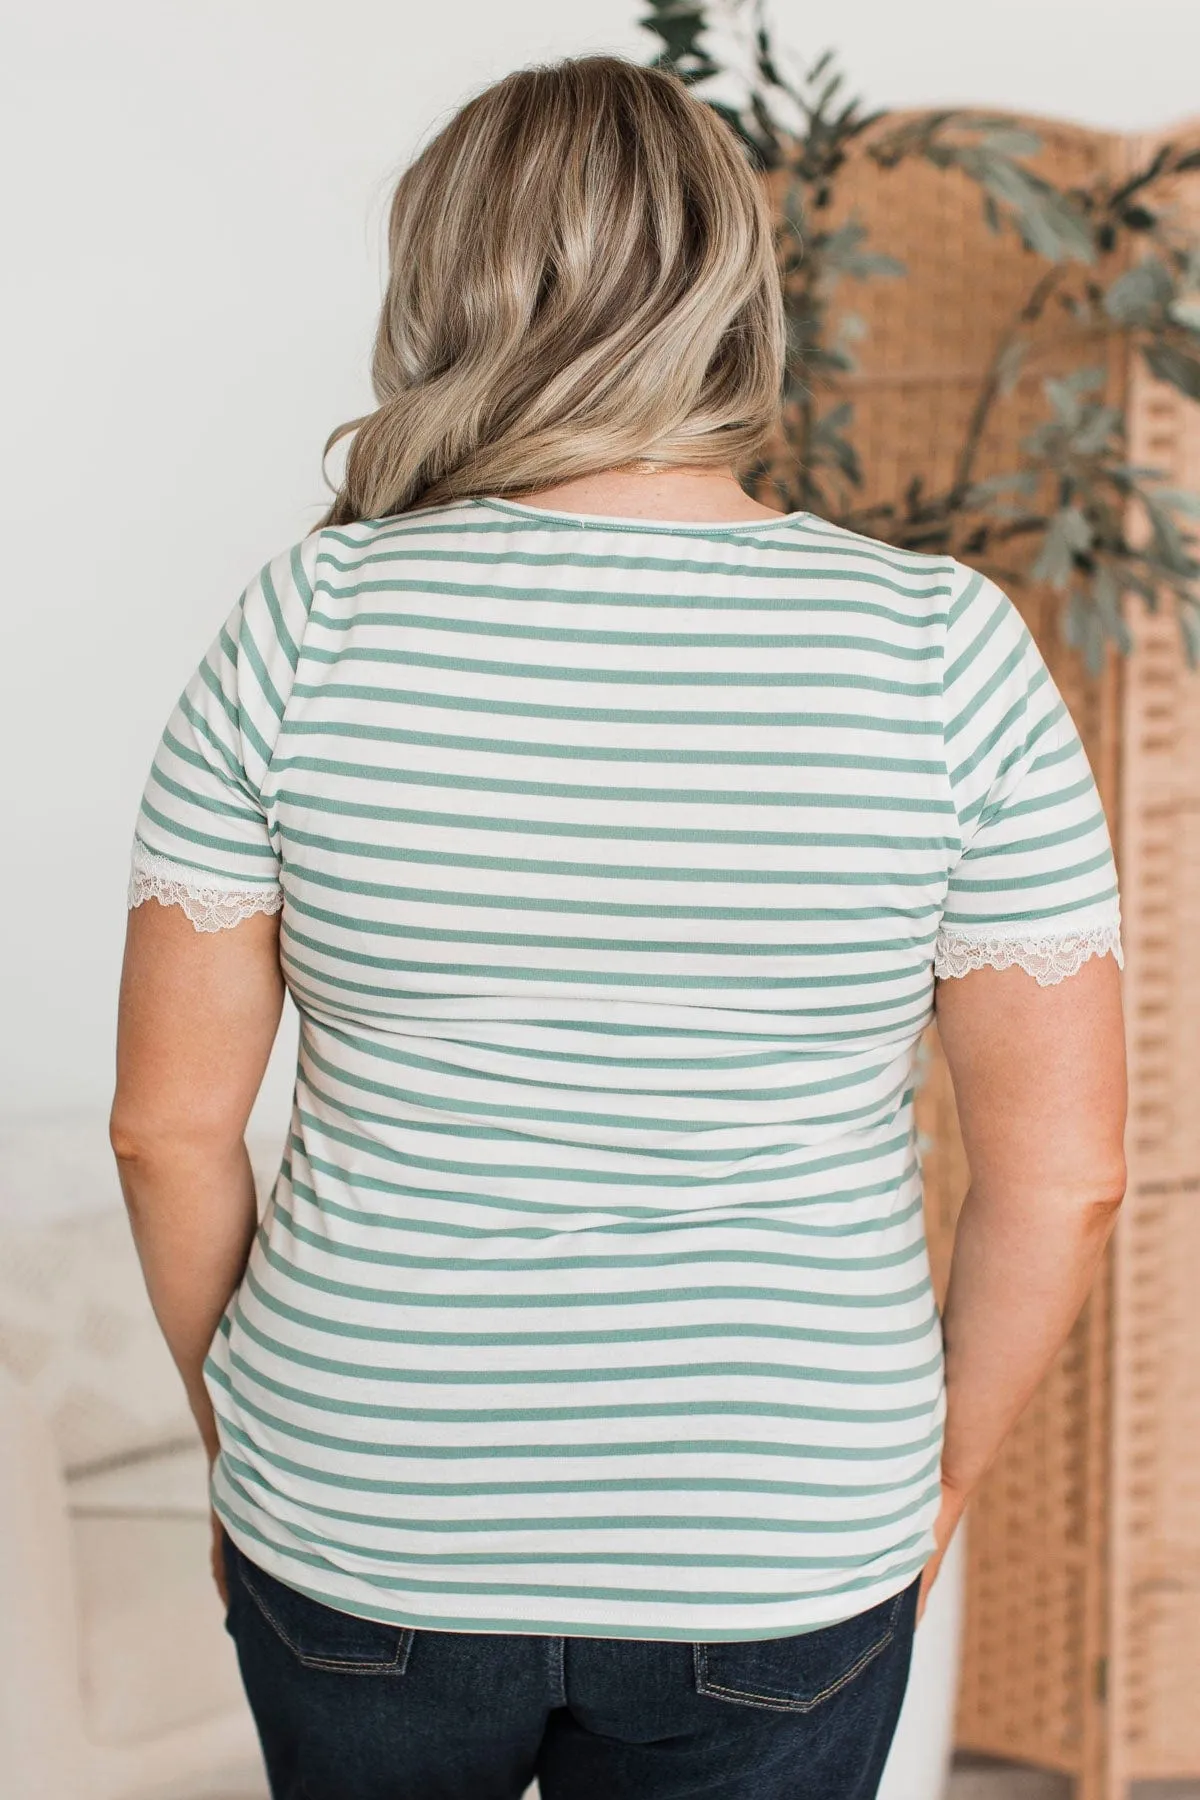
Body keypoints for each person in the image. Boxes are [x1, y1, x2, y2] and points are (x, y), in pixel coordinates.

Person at [109, 53, 1128, 1800]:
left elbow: (167, 1127)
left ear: (444, 283)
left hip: (367, 1508)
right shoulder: (940, 650)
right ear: (736, 292)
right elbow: (1067, 1173)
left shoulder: (309, 618)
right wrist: (924, 1485)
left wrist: (263, 1451)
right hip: (779, 1521)